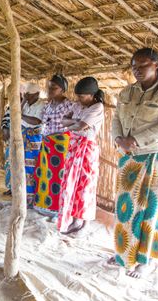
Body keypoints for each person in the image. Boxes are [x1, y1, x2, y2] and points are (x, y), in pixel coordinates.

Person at [109, 48, 158, 278]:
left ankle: (146, 260)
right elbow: (116, 119)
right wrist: (119, 139)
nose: (137, 70)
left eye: (143, 65)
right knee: (126, 208)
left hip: (155, 156)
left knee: (151, 209)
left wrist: (136, 140)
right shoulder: (126, 92)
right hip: (129, 157)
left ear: (156, 65)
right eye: (133, 66)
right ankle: (124, 253)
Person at [57, 77, 105, 234]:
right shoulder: (79, 105)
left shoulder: (97, 107)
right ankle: (75, 220)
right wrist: (75, 122)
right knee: (72, 183)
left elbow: (80, 125)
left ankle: (84, 223)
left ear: (91, 95)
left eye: (82, 96)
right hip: (74, 148)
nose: (78, 99)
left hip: (86, 150)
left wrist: (74, 122)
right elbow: (63, 121)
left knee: (85, 186)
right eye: (78, 96)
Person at [32, 74, 73, 216]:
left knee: (58, 175)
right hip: (47, 143)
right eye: (49, 87)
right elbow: (43, 122)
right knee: (45, 174)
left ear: (62, 90)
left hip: (61, 144)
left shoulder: (69, 105)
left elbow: (72, 124)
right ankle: (44, 204)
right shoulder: (48, 105)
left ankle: (58, 207)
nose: (50, 90)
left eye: (54, 88)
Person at [21, 83, 46, 207]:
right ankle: (25, 196)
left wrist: (21, 116)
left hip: (34, 139)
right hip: (24, 137)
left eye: (29, 95)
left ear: (37, 94)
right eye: (26, 94)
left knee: (33, 168)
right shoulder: (25, 103)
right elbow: (16, 114)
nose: (27, 96)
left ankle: (33, 198)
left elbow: (36, 121)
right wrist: (24, 100)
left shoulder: (41, 105)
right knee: (23, 168)